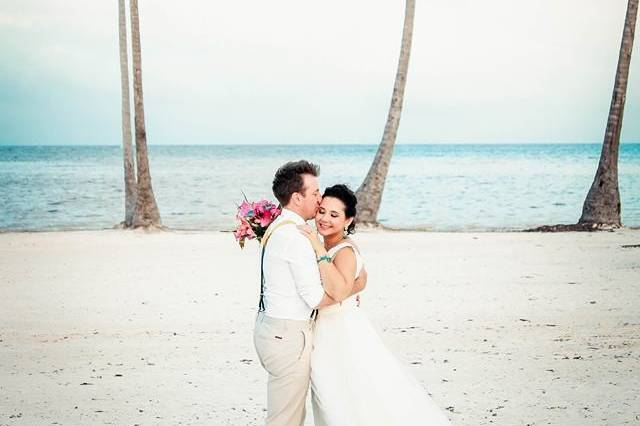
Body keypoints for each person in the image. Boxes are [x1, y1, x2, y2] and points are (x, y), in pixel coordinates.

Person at [298, 184, 452, 426]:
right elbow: (359, 281)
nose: (324, 219)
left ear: (348, 220)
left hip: (341, 332)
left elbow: (339, 290)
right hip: (330, 331)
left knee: (346, 397)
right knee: (336, 397)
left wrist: (317, 248)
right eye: (322, 211)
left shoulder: (342, 251)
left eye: (334, 215)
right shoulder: (329, 245)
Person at [253, 161, 366, 426]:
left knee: (289, 413)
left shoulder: (280, 226)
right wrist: (354, 286)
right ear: (297, 197)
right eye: (315, 193)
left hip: (272, 327)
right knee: (286, 419)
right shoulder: (297, 238)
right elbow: (316, 298)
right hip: (288, 336)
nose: (319, 199)